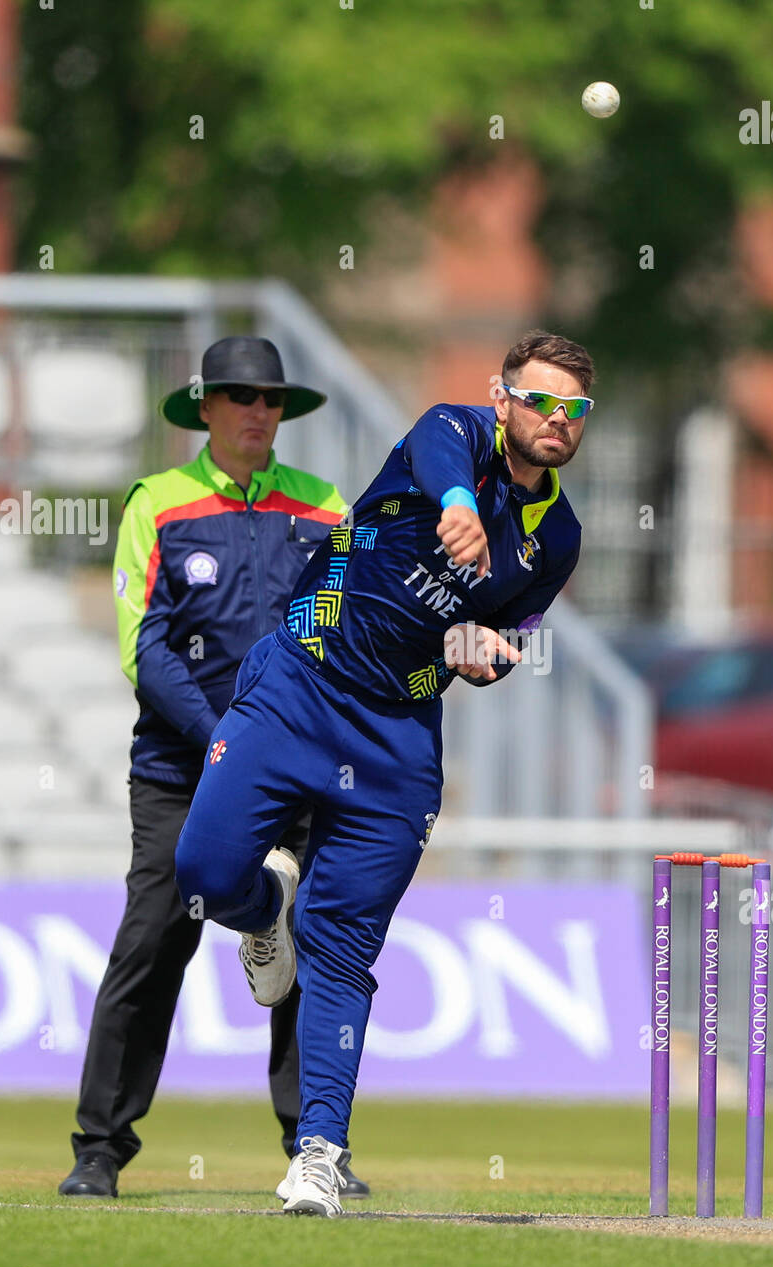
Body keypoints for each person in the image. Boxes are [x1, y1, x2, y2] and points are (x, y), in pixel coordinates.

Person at [174, 329, 595, 1215]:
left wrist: (490, 652)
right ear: (503, 397)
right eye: (540, 400)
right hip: (300, 680)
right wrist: (457, 505)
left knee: (345, 944)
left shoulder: (556, 534)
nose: (556, 420)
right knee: (205, 876)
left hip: (397, 736)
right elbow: (443, 450)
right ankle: (264, 911)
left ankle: (319, 1151)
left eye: (575, 410)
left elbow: (512, 633)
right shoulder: (450, 436)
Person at [58, 337, 371, 1198]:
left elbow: (346, 634)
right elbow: (142, 646)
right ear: (206, 406)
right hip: (179, 770)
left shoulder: (325, 508)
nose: (256, 412)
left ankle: (315, 1152)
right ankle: (99, 1150)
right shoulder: (156, 503)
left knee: (314, 944)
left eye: (269, 399)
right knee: (155, 942)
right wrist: (226, 737)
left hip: (296, 772)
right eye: (238, 396)